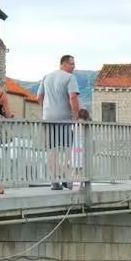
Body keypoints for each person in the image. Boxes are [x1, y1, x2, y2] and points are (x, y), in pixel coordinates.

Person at [40, 54, 82, 190]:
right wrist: (75, 116)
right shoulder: (70, 78)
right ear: (63, 64)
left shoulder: (47, 77)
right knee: (67, 150)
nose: (74, 67)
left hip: (48, 118)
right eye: (72, 64)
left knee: (52, 150)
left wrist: (46, 109)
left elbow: (39, 96)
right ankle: (65, 178)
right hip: (64, 119)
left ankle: (54, 181)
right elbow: (73, 97)